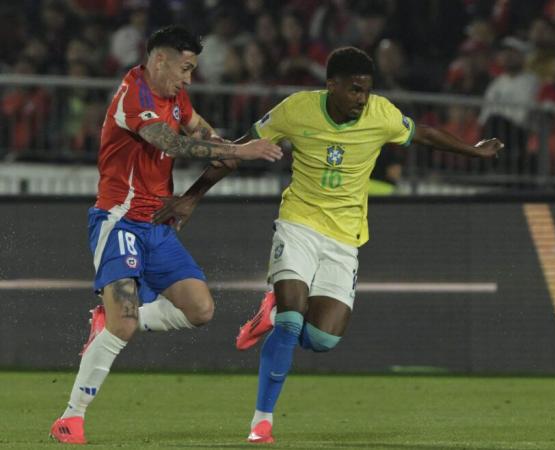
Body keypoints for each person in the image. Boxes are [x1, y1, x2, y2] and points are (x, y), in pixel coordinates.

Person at [153, 46, 503, 444]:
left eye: (366, 91)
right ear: (331, 85)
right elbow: (239, 149)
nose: (361, 99)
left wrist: (472, 151)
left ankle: (269, 313)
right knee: (290, 320)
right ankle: (261, 423)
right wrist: (193, 195)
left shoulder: (381, 114)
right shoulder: (296, 110)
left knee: (322, 339)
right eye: (354, 90)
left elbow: (423, 134)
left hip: (345, 237)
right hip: (298, 224)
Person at [49, 25, 282, 445]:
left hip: (156, 223)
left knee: (200, 310)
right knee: (124, 324)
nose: (189, 78)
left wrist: (212, 149)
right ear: (160, 60)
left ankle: (108, 323)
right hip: (118, 218)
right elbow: (168, 143)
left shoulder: (175, 95)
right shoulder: (133, 94)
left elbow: (197, 129)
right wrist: (234, 150)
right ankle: (71, 417)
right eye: (186, 68)